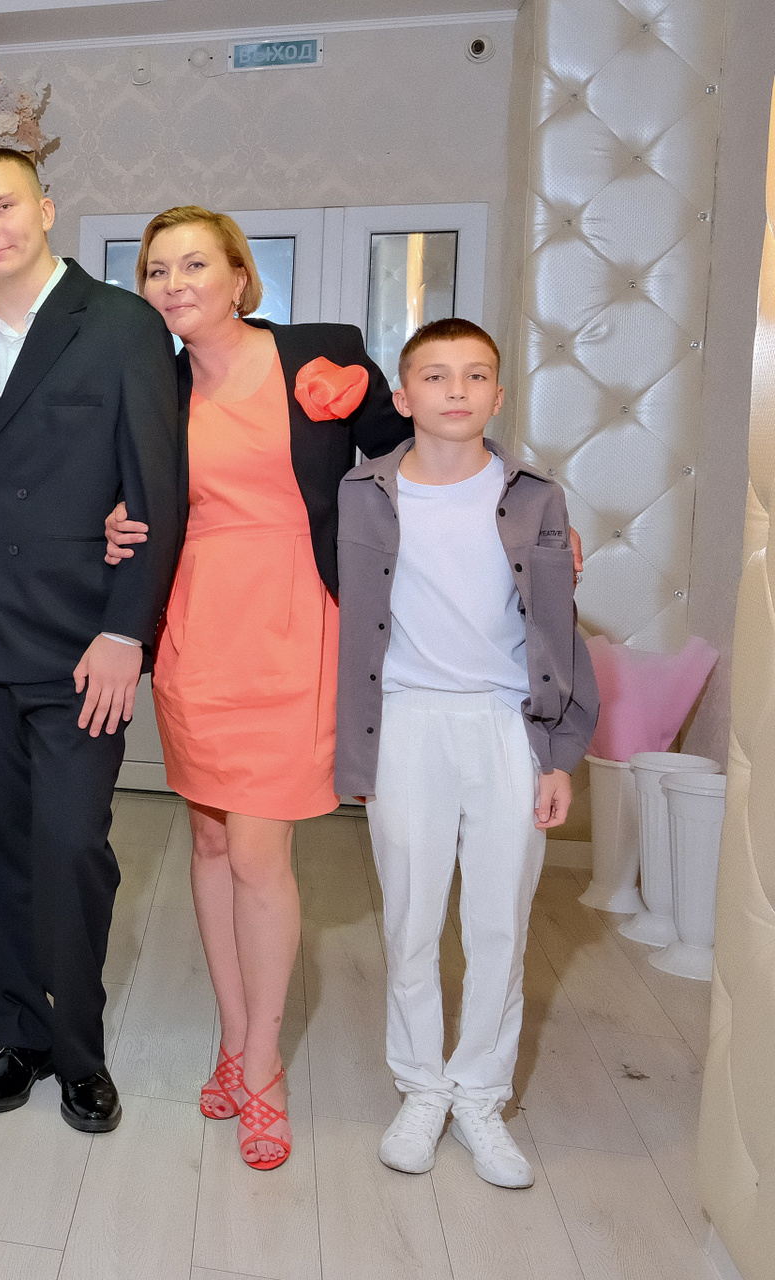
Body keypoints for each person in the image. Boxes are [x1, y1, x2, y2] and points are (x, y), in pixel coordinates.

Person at [104, 205, 413, 1169]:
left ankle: (266, 1066)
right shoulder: (150, 385)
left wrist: (514, 515)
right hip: (197, 620)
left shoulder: (321, 353)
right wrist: (110, 520)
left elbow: (418, 452)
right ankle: (234, 1041)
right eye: (158, 270)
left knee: (257, 850)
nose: (174, 283)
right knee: (206, 836)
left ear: (240, 278)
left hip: (294, 618)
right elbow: (124, 489)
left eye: (195, 264)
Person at [0, 150, 183, 1135]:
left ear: (45, 207)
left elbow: (156, 493)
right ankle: (19, 1034)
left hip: (83, 643)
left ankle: (80, 1048)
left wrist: (126, 628)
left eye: (3, 206)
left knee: (72, 844)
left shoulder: (120, 324)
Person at [336, 318, 596, 1188]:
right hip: (406, 721)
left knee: (499, 924)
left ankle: (480, 1094)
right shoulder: (361, 493)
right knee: (410, 919)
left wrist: (558, 754)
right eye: (437, 375)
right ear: (402, 397)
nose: (457, 390)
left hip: (504, 725)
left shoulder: (536, 499)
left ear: (498, 394)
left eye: (476, 375)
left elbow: (559, 632)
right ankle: (420, 1087)